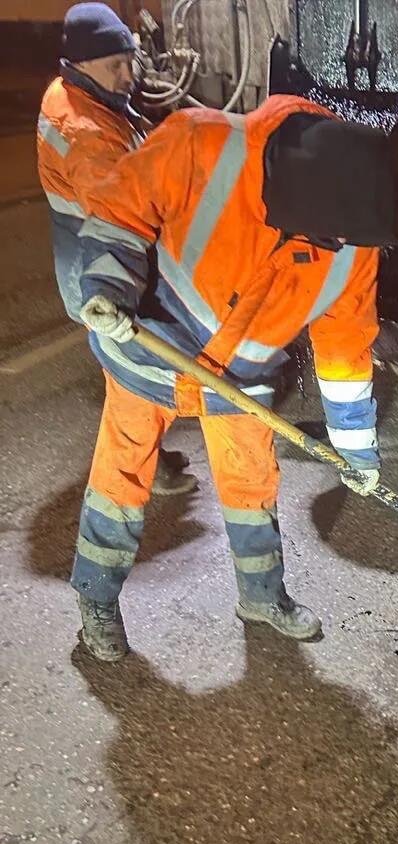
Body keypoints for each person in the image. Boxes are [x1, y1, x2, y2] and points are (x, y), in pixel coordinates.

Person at [70, 93, 398, 661]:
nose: (341, 250)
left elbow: (345, 350)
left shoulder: (353, 237)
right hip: (151, 348)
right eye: (330, 240)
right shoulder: (199, 144)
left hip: (240, 378)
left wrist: (356, 451)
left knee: (252, 485)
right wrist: (106, 289)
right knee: (121, 478)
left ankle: (262, 596)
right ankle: (96, 599)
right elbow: (120, 211)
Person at [36, 1, 196, 495]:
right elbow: (121, 213)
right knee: (133, 378)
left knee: (130, 378)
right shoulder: (86, 134)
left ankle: (143, 460)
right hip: (101, 271)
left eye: (130, 63)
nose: (129, 77)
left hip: (92, 264)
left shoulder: (80, 95)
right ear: (82, 64)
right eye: (116, 67)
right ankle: (127, 479)